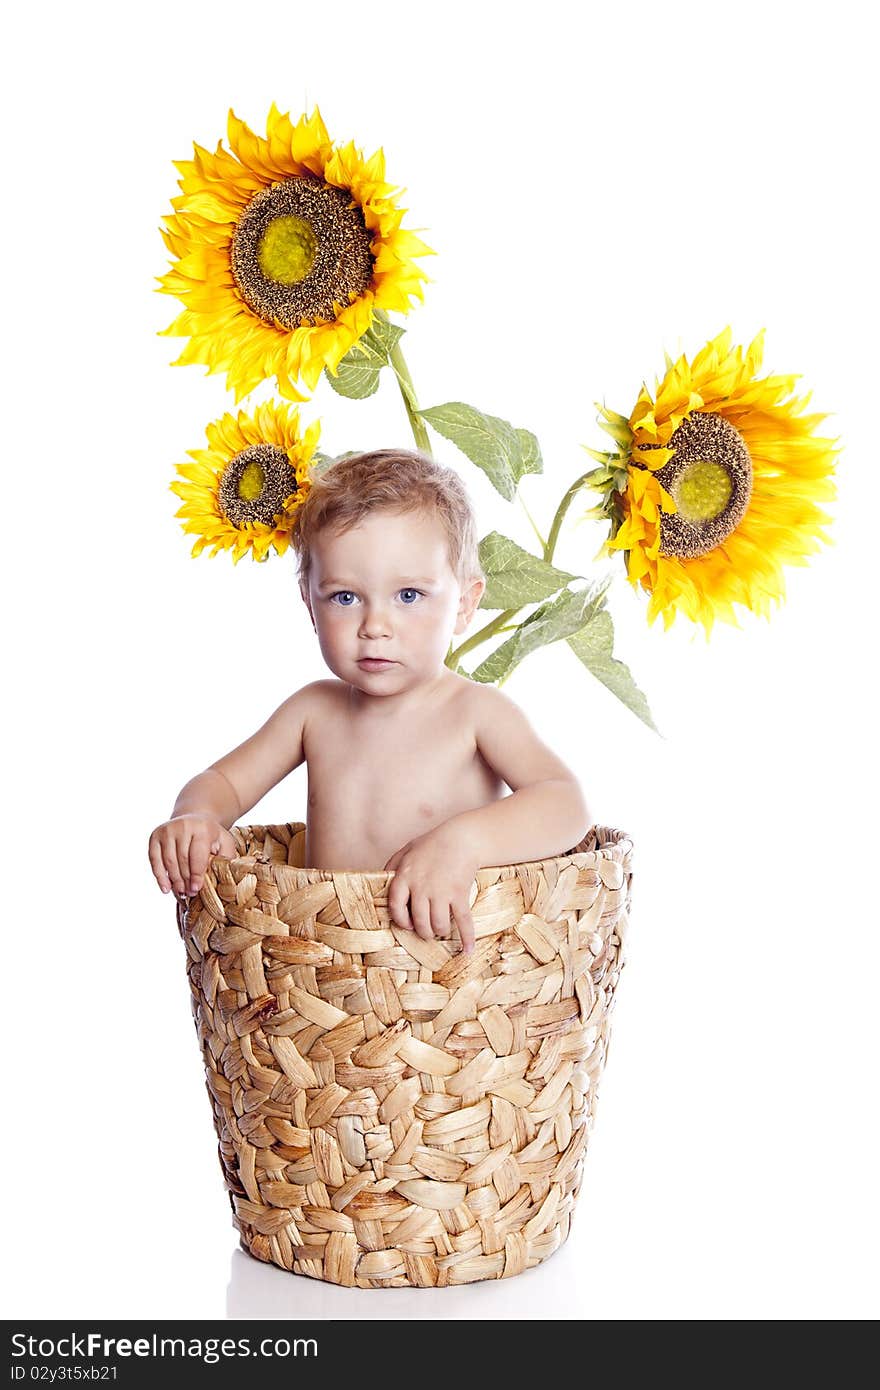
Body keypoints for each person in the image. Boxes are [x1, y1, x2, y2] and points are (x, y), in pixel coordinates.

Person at [148, 448, 591, 953]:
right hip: (324, 968)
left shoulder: (476, 713)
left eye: (408, 596)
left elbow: (565, 803)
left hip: (440, 970)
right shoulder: (312, 712)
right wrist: (197, 817)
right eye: (344, 597)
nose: (374, 627)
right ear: (309, 605)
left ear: (465, 604)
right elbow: (224, 781)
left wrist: (464, 843)